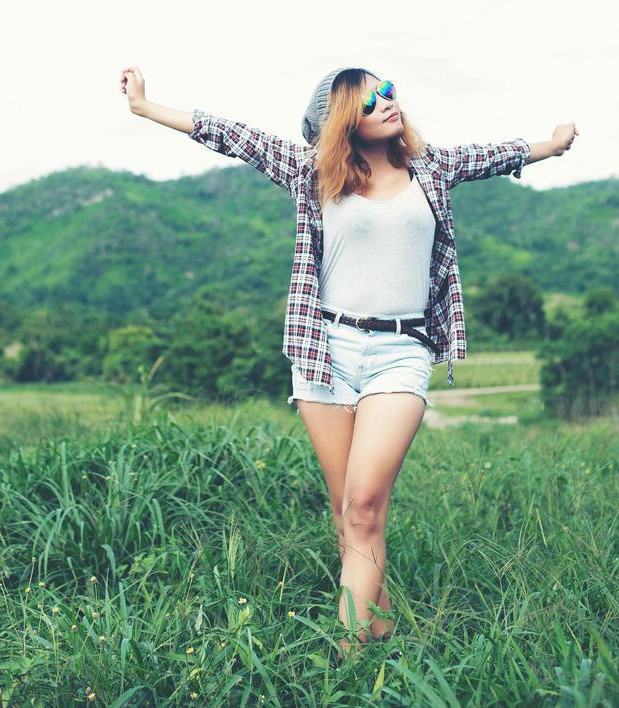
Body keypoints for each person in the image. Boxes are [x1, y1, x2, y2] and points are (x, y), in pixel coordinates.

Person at [119, 64, 578, 659]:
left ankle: (349, 659)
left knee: (363, 505)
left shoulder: (430, 169)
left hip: (401, 352)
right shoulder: (315, 174)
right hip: (324, 352)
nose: (388, 102)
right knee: (349, 516)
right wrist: (146, 108)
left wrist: (552, 144)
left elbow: (493, 154)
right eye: (369, 102)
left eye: (387, 91)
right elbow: (229, 133)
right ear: (344, 121)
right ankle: (377, 626)